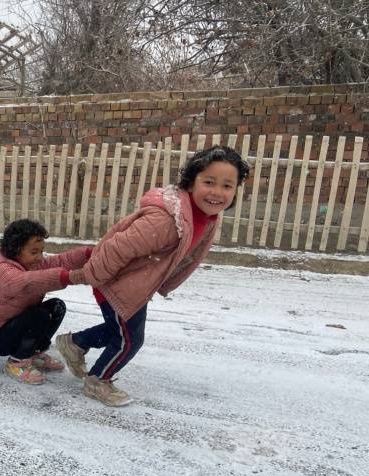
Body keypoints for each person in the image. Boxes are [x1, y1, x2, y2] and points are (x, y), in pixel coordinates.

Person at [57, 145, 250, 406]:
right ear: (191, 183)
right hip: (114, 282)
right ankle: (98, 381)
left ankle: (75, 343)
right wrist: (92, 275)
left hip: (136, 283)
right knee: (130, 341)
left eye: (228, 185)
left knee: (120, 331)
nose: (217, 192)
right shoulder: (167, 221)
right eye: (209, 182)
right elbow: (118, 247)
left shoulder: (203, 215)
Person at [0, 219, 91, 385]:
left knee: (56, 307)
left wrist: (88, 254)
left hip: (15, 323)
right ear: (15, 249)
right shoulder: (3, 269)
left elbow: (59, 261)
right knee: (38, 315)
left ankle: (34, 352)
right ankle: (17, 361)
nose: (40, 257)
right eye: (34, 252)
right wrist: (66, 277)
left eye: (42, 251)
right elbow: (25, 282)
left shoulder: (32, 263)